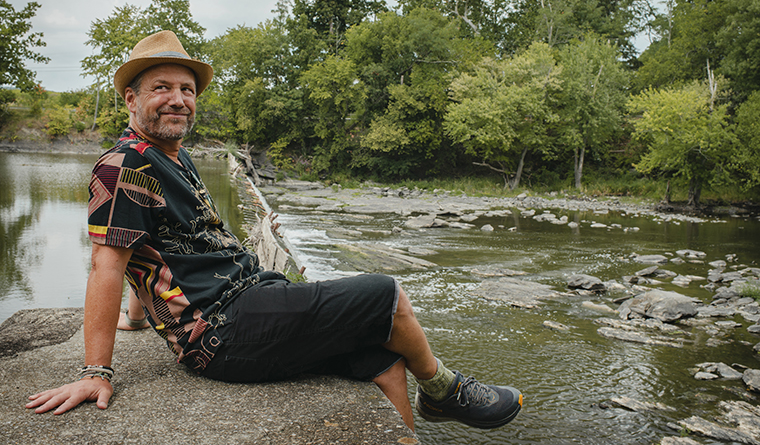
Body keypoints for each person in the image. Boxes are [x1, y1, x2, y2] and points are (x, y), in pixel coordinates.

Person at [26, 30, 523, 431]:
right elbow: (107, 262)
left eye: (187, 90)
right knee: (385, 294)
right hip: (222, 328)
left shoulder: (175, 158)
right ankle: (443, 391)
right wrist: (96, 371)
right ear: (131, 99)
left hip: (251, 299)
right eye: (162, 88)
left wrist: (136, 319)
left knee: (382, 356)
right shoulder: (123, 166)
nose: (177, 100)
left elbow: (151, 251)